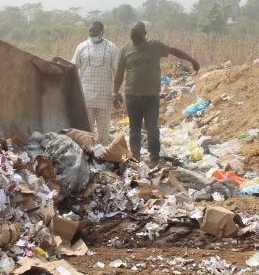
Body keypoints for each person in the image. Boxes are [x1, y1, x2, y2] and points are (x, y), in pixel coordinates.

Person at [113, 21, 199, 167]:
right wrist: (115, 92)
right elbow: (120, 73)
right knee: (134, 128)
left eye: (137, 34)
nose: (133, 37)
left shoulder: (155, 46)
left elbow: (174, 51)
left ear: (145, 34)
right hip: (132, 96)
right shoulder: (125, 50)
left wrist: (192, 60)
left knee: (152, 127)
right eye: (132, 34)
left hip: (151, 96)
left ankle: (154, 158)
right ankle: (135, 157)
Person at [71, 21, 118, 145]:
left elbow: (117, 72)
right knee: (86, 132)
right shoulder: (81, 47)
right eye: (90, 31)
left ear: (102, 32)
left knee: (104, 133)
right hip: (86, 97)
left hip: (105, 97)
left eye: (95, 31)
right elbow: (73, 68)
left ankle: (103, 160)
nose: (92, 34)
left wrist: (117, 93)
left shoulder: (112, 48)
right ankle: (89, 158)